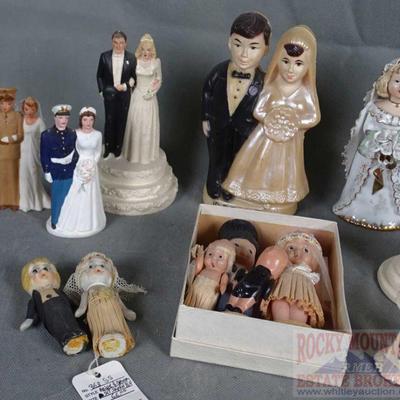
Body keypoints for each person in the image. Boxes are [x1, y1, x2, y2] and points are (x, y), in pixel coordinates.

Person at [222, 25, 320, 214]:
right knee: (257, 166)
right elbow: (258, 109)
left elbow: (314, 116)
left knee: (282, 172)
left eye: (298, 64)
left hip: (288, 144)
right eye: (285, 61)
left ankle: (277, 200)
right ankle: (251, 196)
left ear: (308, 66)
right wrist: (270, 118)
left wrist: (295, 123)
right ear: (277, 60)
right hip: (264, 138)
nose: (291, 69)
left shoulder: (305, 91)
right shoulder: (272, 85)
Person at [201, 12, 271, 200]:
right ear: (229, 43)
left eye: (253, 47)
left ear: (265, 49)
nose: (244, 54)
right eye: (238, 44)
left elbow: (266, 106)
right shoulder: (218, 72)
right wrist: (205, 117)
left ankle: (231, 187)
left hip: (246, 129)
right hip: (218, 123)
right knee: (216, 156)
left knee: (238, 160)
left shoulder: (264, 82)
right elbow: (206, 93)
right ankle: (214, 183)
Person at [333, 58, 400, 230]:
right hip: (372, 153)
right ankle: (361, 209)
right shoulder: (376, 107)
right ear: (387, 81)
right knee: (369, 181)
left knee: (390, 186)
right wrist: (377, 141)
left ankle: (387, 215)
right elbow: (364, 128)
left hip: (396, 156)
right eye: (397, 81)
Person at [20, 257, 88, 355]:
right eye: (35, 271)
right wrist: (29, 320)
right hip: (51, 316)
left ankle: (79, 337)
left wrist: (81, 314)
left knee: (72, 323)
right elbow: (32, 310)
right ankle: (68, 342)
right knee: (57, 327)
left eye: (46, 268)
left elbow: (71, 303)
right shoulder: (36, 297)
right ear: (28, 279)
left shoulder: (60, 292)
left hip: (66, 312)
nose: (42, 272)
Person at [55, 107, 106, 238]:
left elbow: (98, 151)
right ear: (81, 120)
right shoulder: (75, 133)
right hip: (78, 165)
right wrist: (79, 165)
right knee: (76, 191)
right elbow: (73, 150)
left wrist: (92, 164)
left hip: (92, 166)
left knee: (90, 191)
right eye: (85, 119)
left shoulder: (98, 135)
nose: (88, 123)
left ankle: (90, 221)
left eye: (91, 120)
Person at [122, 33, 162, 163]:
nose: (146, 52)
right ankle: (133, 154)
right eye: (144, 49)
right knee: (136, 123)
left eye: (148, 50)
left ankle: (146, 155)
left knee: (147, 126)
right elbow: (132, 77)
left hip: (149, 97)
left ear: (152, 50)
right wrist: (131, 82)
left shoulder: (156, 62)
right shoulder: (135, 61)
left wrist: (152, 92)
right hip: (138, 95)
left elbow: (159, 79)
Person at [97, 30, 136, 158]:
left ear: (125, 43)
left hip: (124, 95)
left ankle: (118, 149)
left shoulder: (131, 58)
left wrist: (125, 86)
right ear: (112, 42)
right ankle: (108, 148)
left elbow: (134, 77)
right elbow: (99, 76)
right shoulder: (104, 56)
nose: (118, 45)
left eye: (121, 43)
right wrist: (102, 91)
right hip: (109, 94)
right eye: (115, 42)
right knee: (109, 120)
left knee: (121, 121)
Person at [40, 104, 78, 230]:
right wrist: (47, 171)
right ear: (55, 118)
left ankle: (67, 219)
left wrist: (74, 164)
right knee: (57, 196)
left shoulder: (72, 133)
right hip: (56, 170)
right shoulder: (47, 135)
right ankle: (55, 220)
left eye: (66, 118)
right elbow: (44, 154)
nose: (64, 121)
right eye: (61, 118)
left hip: (70, 169)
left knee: (69, 195)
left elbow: (76, 151)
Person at [19, 96, 50, 212]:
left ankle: (37, 201)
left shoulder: (39, 122)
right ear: (23, 109)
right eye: (26, 109)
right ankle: (25, 201)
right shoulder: (20, 120)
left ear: (36, 109)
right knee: (23, 176)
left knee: (33, 175)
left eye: (32, 109)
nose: (29, 112)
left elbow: (45, 137)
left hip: (33, 152)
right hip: (21, 152)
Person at [0, 87, 23, 210]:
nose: (5, 106)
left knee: (14, 177)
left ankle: (14, 202)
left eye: (8, 104)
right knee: (2, 177)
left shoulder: (17, 116)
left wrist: (11, 138)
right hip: (1, 152)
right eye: (2, 103)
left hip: (13, 152)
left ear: (13, 103)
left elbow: (21, 135)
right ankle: (2, 201)